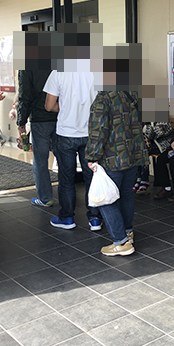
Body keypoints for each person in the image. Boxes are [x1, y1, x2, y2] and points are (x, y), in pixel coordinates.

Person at [86, 90, 146, 256]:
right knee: (126, 194)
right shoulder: (132, 93)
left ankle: (121, 242)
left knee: (105, 199)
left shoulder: (104, 97)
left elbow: (98, 130)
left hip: (112, 157)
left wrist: (92, 156)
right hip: (132, 155)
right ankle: (127, 232)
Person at [43, 71, 101, 231]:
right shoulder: (97, 70)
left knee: (66, 179)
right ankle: (95, 219)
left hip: (66, 133)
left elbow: (49, 106)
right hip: (91, 133)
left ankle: (67, 218)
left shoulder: (58, 72)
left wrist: (66, 108)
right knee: (92, 177)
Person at [16, 70, 58, 207]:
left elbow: (25, 95)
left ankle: (45, 198)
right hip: (61, 116)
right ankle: (68, 197)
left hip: (40, 119)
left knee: (40, 159)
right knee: (64, 158)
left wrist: (21, 121)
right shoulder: (60, 60)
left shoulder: (27, 66)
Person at [134, 122, 174, 194]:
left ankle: (144, 180)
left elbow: (155, 134)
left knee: (144, 151)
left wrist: (148, 124)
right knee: (138, 150)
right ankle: (139, 177)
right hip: (152, 143)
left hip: (163, 144)